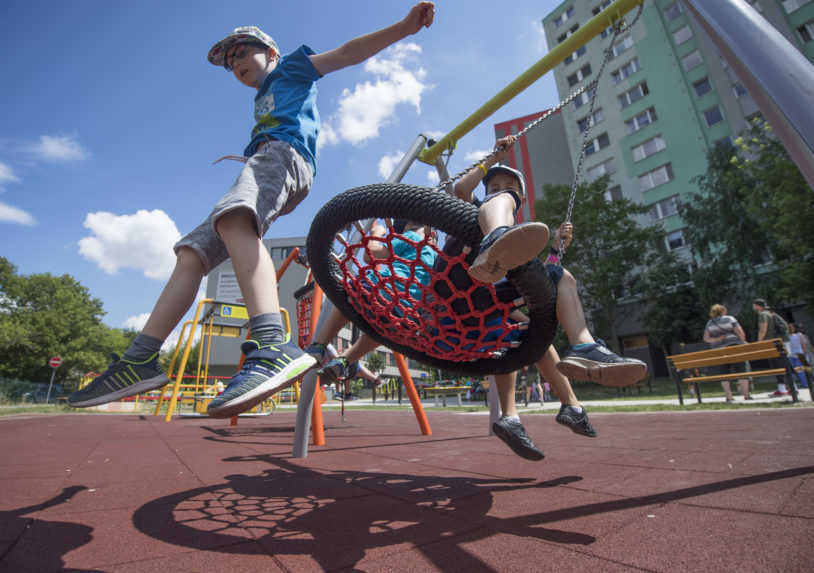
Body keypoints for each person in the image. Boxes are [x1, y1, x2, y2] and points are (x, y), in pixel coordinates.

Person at [68, 3, 436, 417]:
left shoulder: (292, 69)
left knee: (234, 219)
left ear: (271, 53)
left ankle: (271, 344)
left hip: (284, 156)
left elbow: (347, 52)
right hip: (265, 159)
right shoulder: (262, 96)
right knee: (192, 252)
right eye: (230, 62)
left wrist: (403, 28)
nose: (236, 62)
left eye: (242, 51)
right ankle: (140, 358)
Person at [445, 135, 647, 459]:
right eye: (492, 187)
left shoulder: (517, 244)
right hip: (452, 292)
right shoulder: (472, 212)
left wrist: (555, 249)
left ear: (522, 197)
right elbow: (459, 190)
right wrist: (494, 155)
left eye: (507, 187)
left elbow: (538, 283)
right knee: (516, 326)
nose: (499, 191)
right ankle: (543, 406)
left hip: (488, 306)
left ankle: (582, 350)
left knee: (548, 305)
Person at [308, 219, 437, 399]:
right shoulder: (439, 259)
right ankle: (344, 361)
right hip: (407, 318)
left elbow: (370, 254)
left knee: (348, 298)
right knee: (380, 334)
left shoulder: (412, 237)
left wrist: (377, 233)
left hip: (382, 293)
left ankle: (318, 346)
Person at [702, 304, 752, 401]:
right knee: (742, 370)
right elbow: (740, 333)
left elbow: (706, 338)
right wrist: (742, 341)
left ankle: (729, 396)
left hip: (719, 350)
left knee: (724, 372)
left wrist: (717, 339)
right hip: (734, 347)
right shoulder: (730, 318)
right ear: (723, 311)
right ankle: (746, 395)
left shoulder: (710, 323)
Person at [752, 298, 791, 397]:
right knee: (784, 364)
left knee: (777, 365)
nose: (753, 307)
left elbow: (763, 329)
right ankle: (791, 388)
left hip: (773, 343)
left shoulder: (762, 314)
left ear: (757, 306)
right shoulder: (771, 313)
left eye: (753, 305)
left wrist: (759, 343)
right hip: (782, 341)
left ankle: (782, 389)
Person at [787, 323, 810, 389]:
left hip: (799, 355)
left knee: (801, 371)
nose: (790, 329)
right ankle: (800, 384)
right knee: (794, 372)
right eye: (789, 327)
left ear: (795, 328)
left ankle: (805, 384)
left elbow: (803, 344)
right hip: (791, 356)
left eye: (791, 327)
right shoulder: (787, 336)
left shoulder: (799, 335)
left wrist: (804, 353)